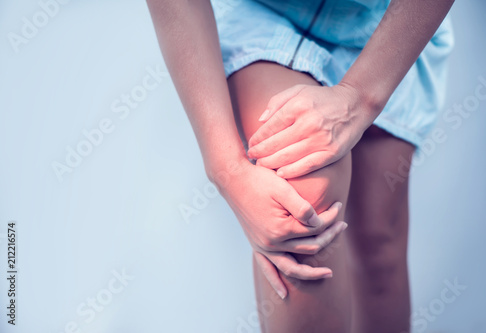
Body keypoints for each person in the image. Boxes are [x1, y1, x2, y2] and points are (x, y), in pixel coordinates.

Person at [146, 0, 455, 331]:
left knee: (379, 248)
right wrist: (227, 169)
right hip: (263, 13)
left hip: (389, 23)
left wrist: (359, 98)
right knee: (300, 204)